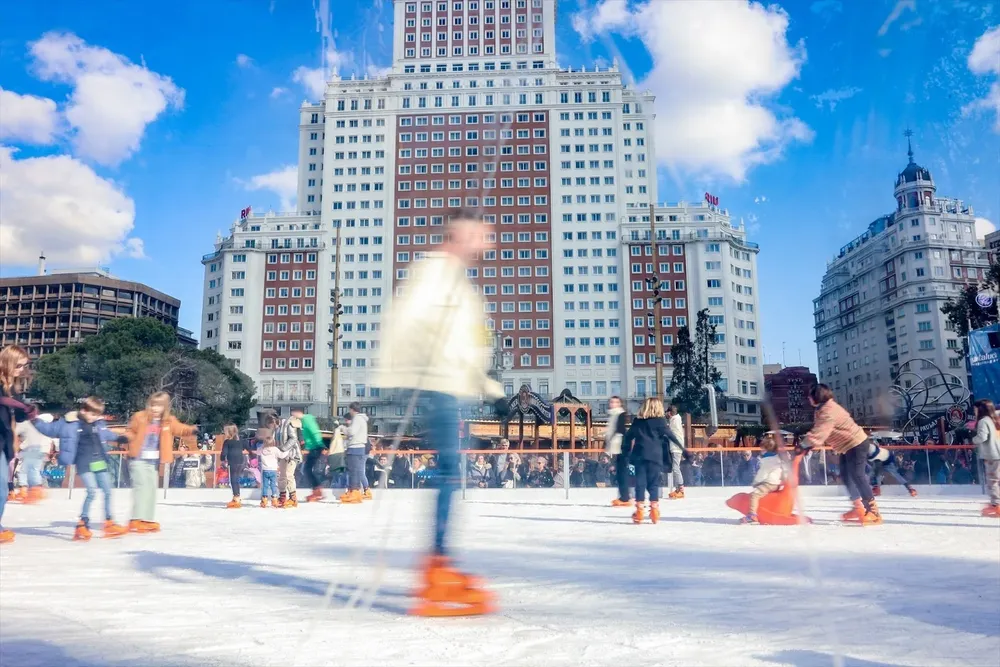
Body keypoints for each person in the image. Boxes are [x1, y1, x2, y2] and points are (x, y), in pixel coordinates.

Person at [375, 208, 503, 616]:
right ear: (462, 233)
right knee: (450, 470)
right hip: (436, 385)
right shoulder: (432, 273)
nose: (489, 243)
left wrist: (491, 390)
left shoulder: (463, 286)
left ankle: (439, 562)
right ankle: (436, 567)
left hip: (454, 387)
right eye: (484, 234)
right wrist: (399, 374)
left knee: (453, 470)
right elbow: (405, 322)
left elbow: (469, 346)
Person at [34, 398, 129, 540]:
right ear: (83, 410)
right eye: (92, 414)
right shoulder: (69, 423)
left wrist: (120, 438)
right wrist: (33, 420)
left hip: (99, 461)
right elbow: (50, 429)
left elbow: (106, 434)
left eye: (97, 415)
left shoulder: (99, 424)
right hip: (84, 462)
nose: (93, 418)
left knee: (108, 490)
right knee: (91, 492)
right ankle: (82, 524)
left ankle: (109, 522)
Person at [799, 384, 881, 524]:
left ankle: (874, 511)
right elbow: (819, 431)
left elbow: (821, 432)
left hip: (857, 444)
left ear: (816, 396)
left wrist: (804, 445)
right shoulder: (822, 409)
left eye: (810, 395)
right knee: (846, 475)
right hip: (847, 446)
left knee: (857, 475)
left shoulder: (828, 410)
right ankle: (858, 507)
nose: (808, 398)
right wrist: (809, 444)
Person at [123, 392, 198, 533]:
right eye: (153, 405)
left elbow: (180, 428)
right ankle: (136, 519)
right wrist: (125, 438)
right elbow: (130, 431)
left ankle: (146, 519)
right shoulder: (140, 417)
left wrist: (191, 430)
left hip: (153, 461)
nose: (155, 409)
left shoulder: (168, 421)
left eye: (159, 406)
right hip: (137, 459)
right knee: (142, 487)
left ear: (164, 407)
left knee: (151, 489)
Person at [622, 397, 681, 524]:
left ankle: (639, 511)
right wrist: (682, 448)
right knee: (653, 483)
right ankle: (654, 511)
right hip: (655, 456)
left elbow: (628, 437)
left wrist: (625, 453)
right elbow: (670, 435)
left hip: (639, 456)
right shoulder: (661, 421)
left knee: (640, 483)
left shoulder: (637, 421)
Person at [0, 345, 35, 544]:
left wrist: (26, 411)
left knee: (3, 489)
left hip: (4, 441)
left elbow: (16, 415)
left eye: (25, 366)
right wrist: (14, 404)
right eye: (19, 365)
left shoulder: (12, 388)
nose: (22, 369)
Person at [742, 436, 785, 525]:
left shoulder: (767, 460)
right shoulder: (777, 458)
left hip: (769, 483)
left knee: (755, 494)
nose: (760, 450)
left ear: (766, 449)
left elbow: (763, 473)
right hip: (776, 483)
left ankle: (752, 515)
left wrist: (756, 482)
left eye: (762, 449)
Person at [12, 414, 54, 504]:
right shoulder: (42, 426)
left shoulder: (28, 423)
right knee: (34, 470)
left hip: (31, 449)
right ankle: (35, 491)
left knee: (24, 471)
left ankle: (29, 492)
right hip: (40, 450)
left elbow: (16, 432)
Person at [972, 399, 1000, 517]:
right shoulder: (993, 420)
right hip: (997, 452)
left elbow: (982, 437)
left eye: (975, 409)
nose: (974, 412)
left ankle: (996, 505)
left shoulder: (984, 421)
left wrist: (974, 440)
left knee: (993, 481)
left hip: (992, 455)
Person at [341, 402, 370, 503]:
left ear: (352, 410)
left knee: (354, 471)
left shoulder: (357, 418)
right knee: (355, 471)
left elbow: (352, 432)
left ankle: (354, 492)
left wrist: (343, 428)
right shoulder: (361, 419)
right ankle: (353, 491)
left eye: (350, 410)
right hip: (358, 447)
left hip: (355, 447)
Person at [605, 395, 630, 507]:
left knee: (622, 472)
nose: (613, 404)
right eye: (611, 402)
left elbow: (619, 429)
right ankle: (623, 496)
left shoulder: (620, 414)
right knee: (620, 472)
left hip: (621, 446)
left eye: (615, 402)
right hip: (618, 445)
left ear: (619, 404)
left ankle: (625, 498)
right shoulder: (612, 415)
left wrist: (609, 440)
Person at [255, 427, 289, 508]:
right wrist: (287, 450)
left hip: (265, 470)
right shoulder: (275, 449)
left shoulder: (262, 449)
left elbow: (257, 452)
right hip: (273, 470)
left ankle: (264, 500)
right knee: (273, 485)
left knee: (265, 486)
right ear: (273, 442)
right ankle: (274, 499)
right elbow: (282, 455)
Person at [277, 410, 304, 508]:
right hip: (283, 455)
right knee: (282, 476)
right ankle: (282, 496)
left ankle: (293, 498)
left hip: (292, 454)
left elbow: (293, 438)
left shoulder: (289, 424)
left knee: (289, 475)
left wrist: (283, 449)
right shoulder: (277, 428)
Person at [298, 409, 325, 502]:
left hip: (316, 447)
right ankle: (316, 490)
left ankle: (318, 491)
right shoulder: (304, 422)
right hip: (313, 448)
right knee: (307, 469)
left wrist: (319, 444)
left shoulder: (307, 420)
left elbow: (314, 432)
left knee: (307, 469)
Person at [220, 424, 248, 508]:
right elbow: (246, 446)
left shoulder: (227, 442)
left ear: (229, 432)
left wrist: (222, 458)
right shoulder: (240, 440)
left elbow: (224, 452)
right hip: (241, 461)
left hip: (233, 461)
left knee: (233, 480)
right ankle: (237, 497)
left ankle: (236, 498)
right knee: (236, 479)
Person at [666, 405, 687, 500]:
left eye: (666, 412)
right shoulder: (675, 420)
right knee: (675, 468)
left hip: (676, 448)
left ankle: (681, 490)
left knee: (675, 468)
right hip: (675, 447)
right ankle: (678, 489)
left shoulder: (674, 421)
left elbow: (668, 432)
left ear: (669, 413)